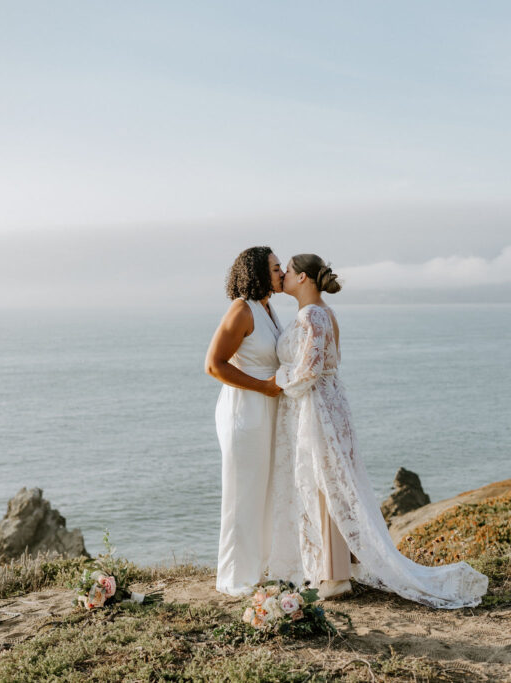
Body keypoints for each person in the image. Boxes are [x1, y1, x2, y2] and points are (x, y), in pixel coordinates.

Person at [265, 254, 488, 607]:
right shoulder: (321, 312)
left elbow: (308, 370)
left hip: (319, 408)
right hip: (326, 403)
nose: (283, 278)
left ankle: (335, 576)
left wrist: (273, 382)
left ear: (303, 277)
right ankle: (338, 568)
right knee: (331, 483)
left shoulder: (312, 315)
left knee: (326, 485)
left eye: (288, 272)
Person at [205, 246, 285, 596]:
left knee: (265, 491)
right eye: (276, 267)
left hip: (267, 408)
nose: (282, 272)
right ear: (258, 272)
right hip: (245, 410)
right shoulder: (241, 310)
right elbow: (214, 364)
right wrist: (263, 387)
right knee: (243, 493)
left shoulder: (268, 308)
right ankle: (235, 579)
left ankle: (258, 568)